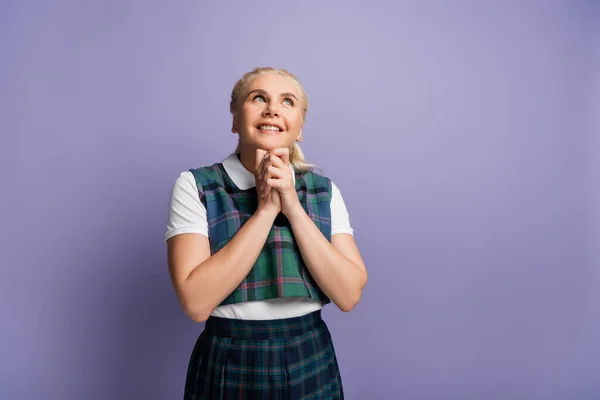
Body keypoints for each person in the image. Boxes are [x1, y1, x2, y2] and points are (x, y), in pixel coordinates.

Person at [165, 67, 368, 399]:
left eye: (287, 101)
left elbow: (348, 295)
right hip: (228, 356)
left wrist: (291, 205)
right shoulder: (196, 186)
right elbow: (196, 303)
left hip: (309, 351)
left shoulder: (322, 191)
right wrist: (266, 209)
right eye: (258, 98)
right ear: (235, 120)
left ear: (300, 128)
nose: (272, 109)